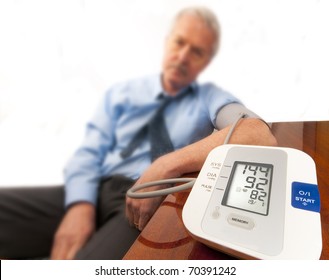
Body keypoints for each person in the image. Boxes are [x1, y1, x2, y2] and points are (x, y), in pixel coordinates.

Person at [0, 6, 277, 260]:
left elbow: (258, 135)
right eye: (180, 42)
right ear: (168, 41)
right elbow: (88, 153)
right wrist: (80, 205)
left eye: (197, 51)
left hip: (146, 198)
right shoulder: (122, 94)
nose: (183, 56)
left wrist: (166, 165)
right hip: (93, 188)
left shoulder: (209, 97)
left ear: (205, 61)